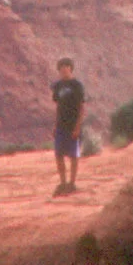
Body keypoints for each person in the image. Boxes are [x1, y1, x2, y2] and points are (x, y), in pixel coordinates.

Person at [50, 58, 86, 195]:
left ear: (71, 68)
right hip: (61, 125)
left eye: (66, 66)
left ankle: (72, 183)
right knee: (58, 154)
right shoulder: (58, 86)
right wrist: (55, 125)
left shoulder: (77, 85)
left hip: (73, 125)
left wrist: (78, 127)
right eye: (61, 67)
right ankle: (63, 183)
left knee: (73, 155)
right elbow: (58, 107)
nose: (64, 69)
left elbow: (81, 107)